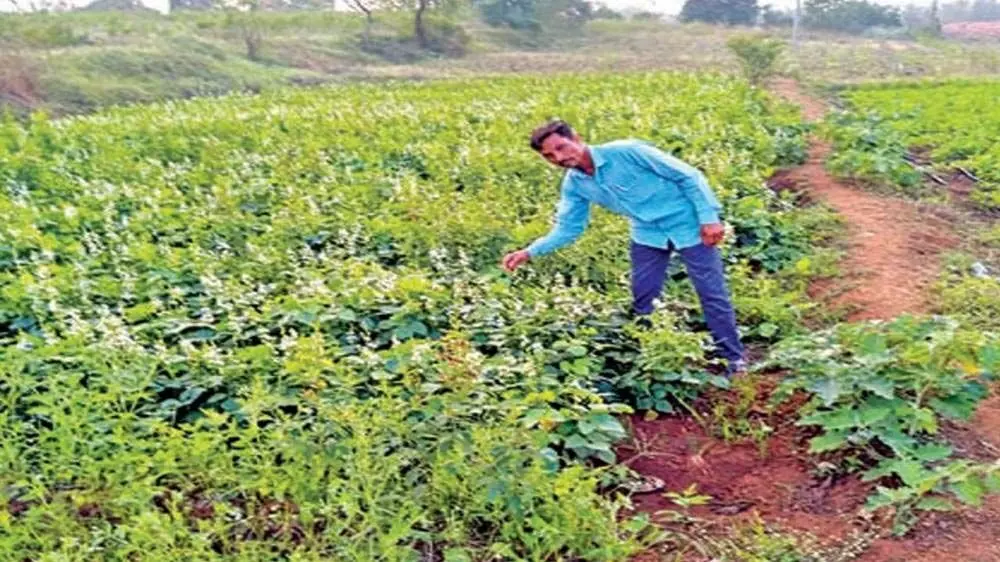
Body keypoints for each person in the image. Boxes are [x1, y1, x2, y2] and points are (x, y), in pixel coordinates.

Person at [502, 119, 747, 378]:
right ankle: (655, 357)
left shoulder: (627, 152)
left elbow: (687, 176)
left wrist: (709, 217)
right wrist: (530, 251)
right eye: (549, 156)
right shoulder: (575, 184)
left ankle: (733, 358)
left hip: (690, 226)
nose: (559, 157)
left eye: (561, 147)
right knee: (643, 294)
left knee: (711, 293)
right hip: (647, 233)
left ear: (576, 137)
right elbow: (569, 227)